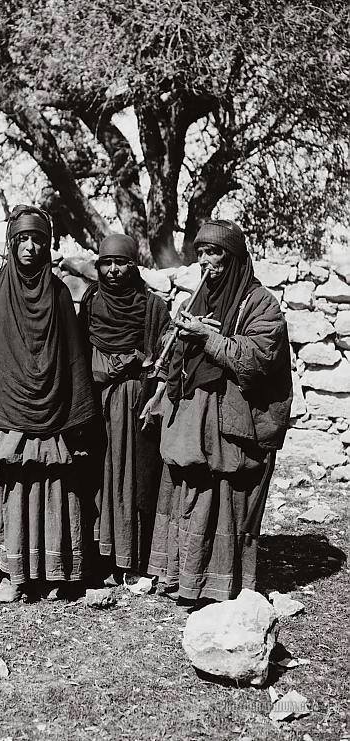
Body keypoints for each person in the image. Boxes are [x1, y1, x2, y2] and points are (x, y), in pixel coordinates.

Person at [0, 205, 96, 602]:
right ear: (11, 243)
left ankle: (57, 573)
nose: (31, 247)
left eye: (39, 240)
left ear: (48, 246)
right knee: (12, 490)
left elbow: (72, 357)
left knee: (53, 488)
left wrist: (74, 411)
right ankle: (12, 575)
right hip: (7, 414)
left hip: (53, 413)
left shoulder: (60, 294)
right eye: (23, 239)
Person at [148, 219, 292, 605]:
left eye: (215, 253)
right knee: (189, 492)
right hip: (192, 421)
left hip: (231, 423)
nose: (205, 261)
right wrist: (178, 338)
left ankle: (220, 586)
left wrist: (208, 338)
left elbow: (259, 358)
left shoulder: (260, 303)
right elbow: (170, 347)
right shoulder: (196, 299)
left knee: (226, 498)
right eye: (201, 253)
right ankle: (181, 578)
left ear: (234, 258)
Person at [78, 233, 170, 584]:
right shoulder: (91, 303)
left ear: (134, 265)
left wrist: (152, 376)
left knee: (134, 477)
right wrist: (121, 362)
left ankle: (133, 557)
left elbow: (164, 357)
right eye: (107, 263)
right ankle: (100, 556)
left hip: (137, 402)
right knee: (100, 476)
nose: (113, 270)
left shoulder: (153, 307)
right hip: (98, 401)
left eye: (121, 263)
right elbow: (81, 355)